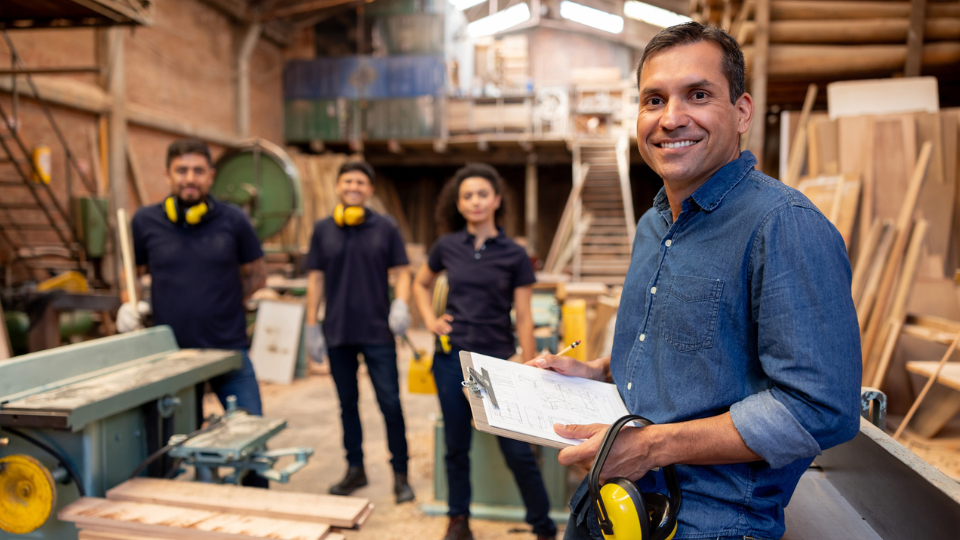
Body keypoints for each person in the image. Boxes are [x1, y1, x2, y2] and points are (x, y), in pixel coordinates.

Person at [530, 23, 862, 540]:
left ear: (742, 112)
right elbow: (686, 354)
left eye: (698, 95)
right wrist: (597, 372)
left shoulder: (783, 226)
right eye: (653, 99)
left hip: (709, 522)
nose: (671, 118)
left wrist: (651, 446)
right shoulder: (653, 226)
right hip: (611, 503)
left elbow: (821, 408)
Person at [413, 163, 557, 540]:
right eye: (467, 196)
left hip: (491, 366)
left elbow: (523, 315)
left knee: (517, 452)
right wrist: (429, 319)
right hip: (452, 360)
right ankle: (458, 521)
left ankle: (543, 526)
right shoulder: (447, 246)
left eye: (481, 194)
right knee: (455, 446)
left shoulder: (513, 254)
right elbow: (420, 284)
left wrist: (530, 365)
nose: (475, 201)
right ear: (459, 205)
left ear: (495, 200)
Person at [117, 138, 268, 486]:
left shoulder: (233, 220)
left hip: (229, 351)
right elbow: (130, 272)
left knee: (252, 446)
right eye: (181, 170)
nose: (190, 178)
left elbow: (258, 274)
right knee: (174, 451)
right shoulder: (145, 221)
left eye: (198, 171)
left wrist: (228, 301)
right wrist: (130, 302)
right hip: (172, 360)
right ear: (168, 175)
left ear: (211, 176)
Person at [303, 160, 415, 503]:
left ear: (370, 190)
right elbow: (316, 278)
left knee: (391, 405)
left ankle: (401, 475)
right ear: (339, 185)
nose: (354, 187)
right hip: (337, 332)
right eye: (348, 180)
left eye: (361, 182)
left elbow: (403, 271)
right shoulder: (323, 229)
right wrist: (311, 325)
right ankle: (356, 470)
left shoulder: (386, 227)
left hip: (377, 331)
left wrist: (401, 304)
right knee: (346, 405)